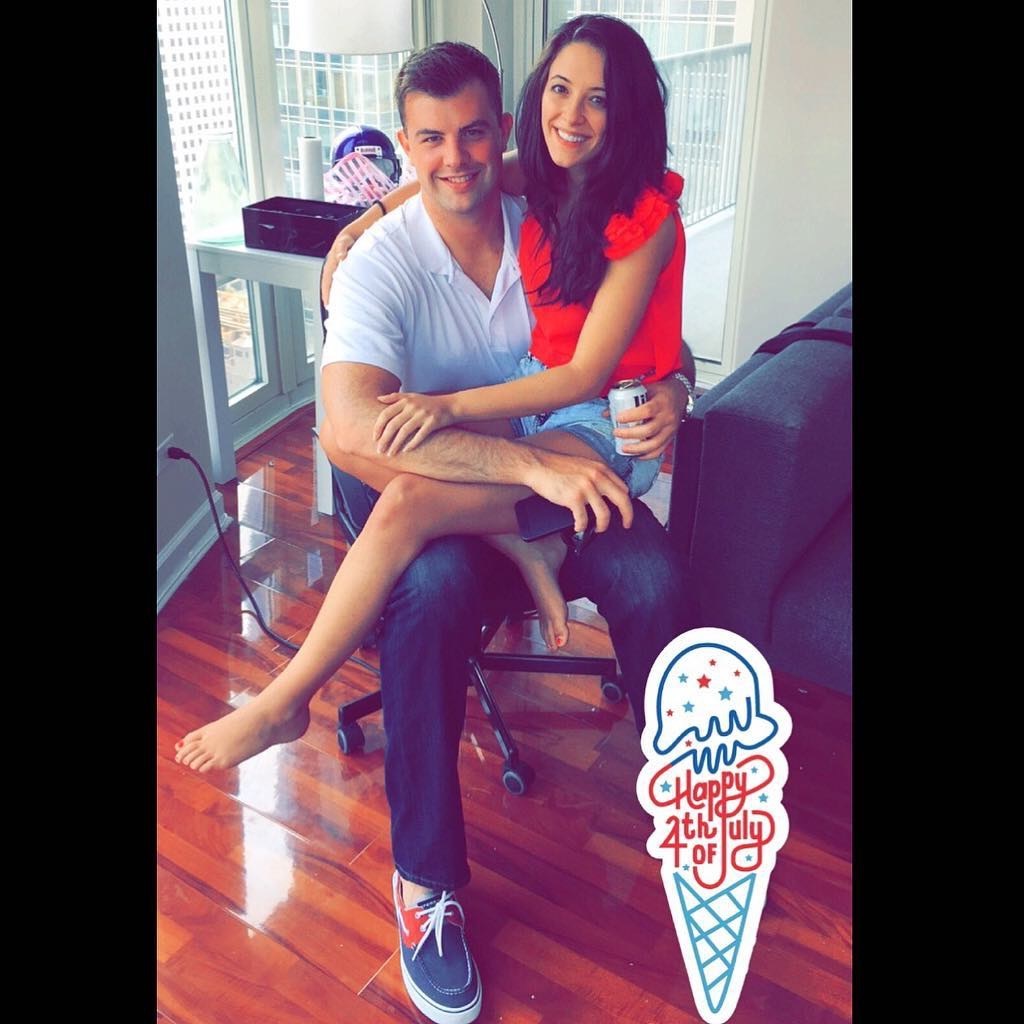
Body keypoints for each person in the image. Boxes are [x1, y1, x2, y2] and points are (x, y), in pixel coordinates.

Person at [176, 28, 693, 1024]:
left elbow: (635, 338)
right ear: (406, 144)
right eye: (429, 140)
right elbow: (349, 432)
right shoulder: (383, 263)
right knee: (426, 587)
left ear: (501, 130)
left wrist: (676, 388)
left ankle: (694, 803)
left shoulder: (550, 194)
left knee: (655, 577)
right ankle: (425, 885)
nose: (456, 158)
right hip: (476, 482)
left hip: (567, 454)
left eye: (473, 134)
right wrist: (524, 465)